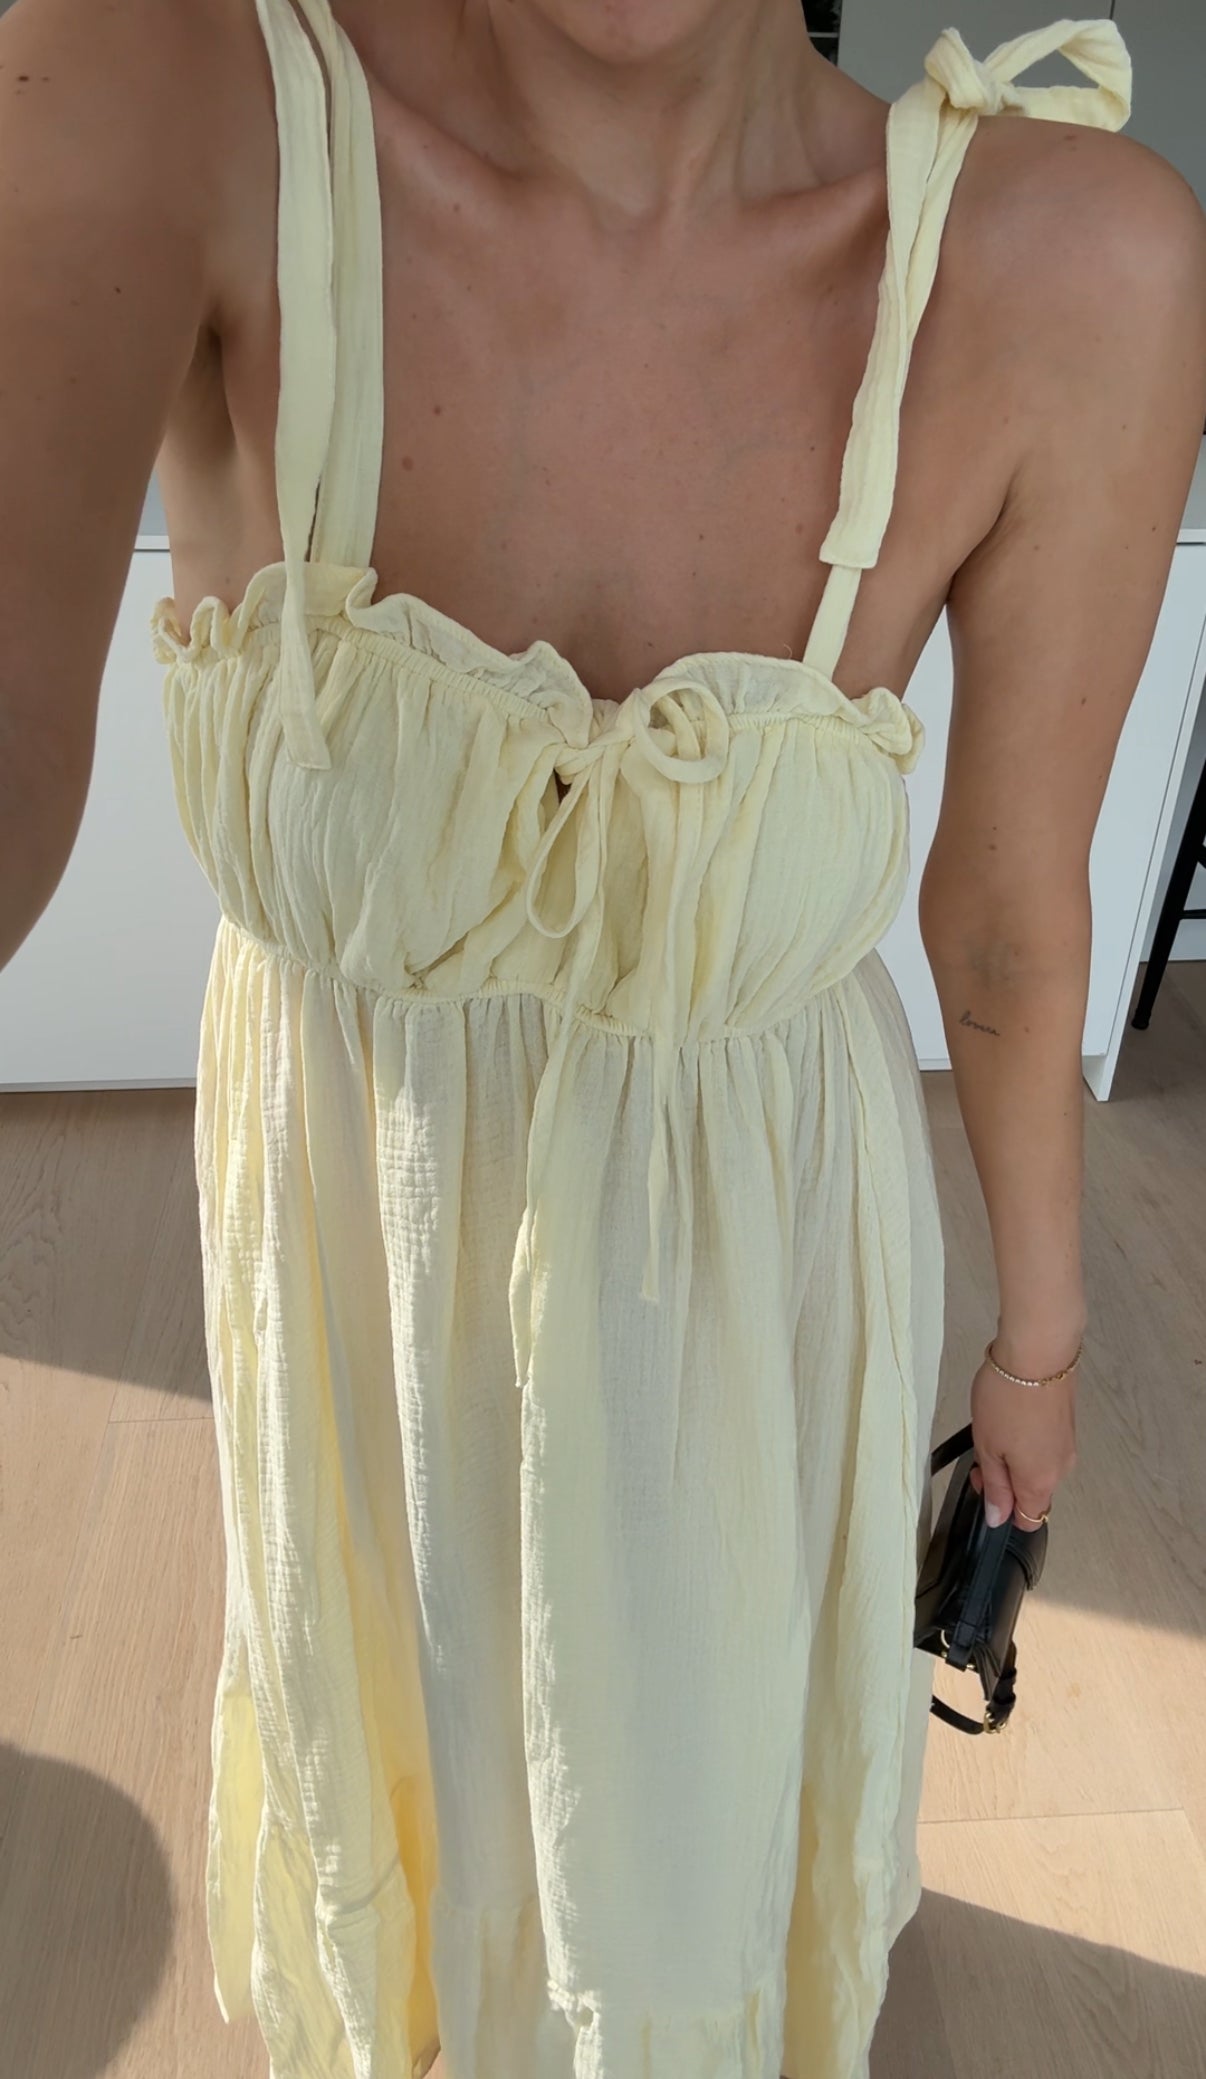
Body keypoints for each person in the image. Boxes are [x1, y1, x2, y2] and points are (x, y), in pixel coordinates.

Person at [3, 1, 1205, 2073]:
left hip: (751, 1295)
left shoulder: (1071, 256)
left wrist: (1036, 1345)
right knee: (418, 1777)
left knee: (691, 1822)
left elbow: (1015, 920)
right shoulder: (172, 92)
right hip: (362, 1275)